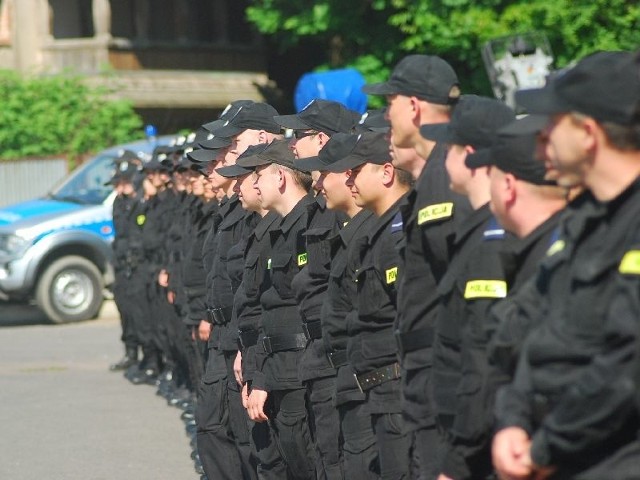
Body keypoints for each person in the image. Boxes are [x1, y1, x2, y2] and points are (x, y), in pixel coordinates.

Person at [491, 50, 640, 480]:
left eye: (551, 125)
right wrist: (513, 420)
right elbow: (536, 331)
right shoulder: (584, 219)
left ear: (588, 133)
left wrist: (546, 445)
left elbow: (626, 365)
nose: (540, 143)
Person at [362, 54, 471, 478]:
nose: (385, 115)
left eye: (390, 103)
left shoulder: (449, 176)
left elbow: (463, 288)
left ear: (413, 105)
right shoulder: (431, 180)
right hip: (426, 374)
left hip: (445, 376)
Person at [420, 95, 515, 478]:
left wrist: (458, 462)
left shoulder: (490, 239)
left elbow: (482, 359)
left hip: (476, 445)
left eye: (451, 147)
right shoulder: (475, 231)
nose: (443, 157)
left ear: (471, 154)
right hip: (460, 428)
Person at [274, 98, 359, 479]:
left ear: (322, 139)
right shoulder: (320, 204)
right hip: (318, 358)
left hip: (341, 360)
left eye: (300, 135)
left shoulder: (349, 205)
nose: (292, 143)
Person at [296, 133, 380, 478]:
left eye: (327, 174)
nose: (318, 185)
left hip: (365, 379)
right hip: (337, 370)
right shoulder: (350, 233)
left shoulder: (373, 235)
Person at [240, 139, 318, 480]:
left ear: (282, 178)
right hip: (280, 370)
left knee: (307, 464)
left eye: (260, 175)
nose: (254, 184)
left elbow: (299, 310)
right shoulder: (281, 230)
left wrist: (265, 377)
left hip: (297, 371)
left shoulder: (309, 226)